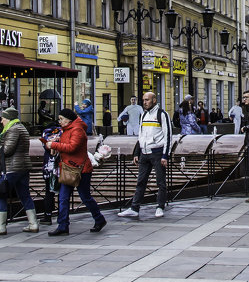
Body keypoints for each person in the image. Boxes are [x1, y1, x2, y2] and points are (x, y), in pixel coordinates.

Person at [42, 108, 106, 236]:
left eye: (61, 119)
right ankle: (63, 225)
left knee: (85, 197)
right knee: (63, 198)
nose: (59, 121)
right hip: (68, 168)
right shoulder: (66, 130)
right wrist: (56, 144)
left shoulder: (77, 130)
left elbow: (72, 147)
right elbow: (66, 144)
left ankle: (99, 219)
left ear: (68, 119)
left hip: (80, 169)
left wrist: (54, 145)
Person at [118, 91, 173, 219]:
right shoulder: (143, 115)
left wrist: (165, 155)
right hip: (144, 153)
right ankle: (134, 208)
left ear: (154, 100)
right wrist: (137, 152)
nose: (144, 102)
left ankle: (160, 207)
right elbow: (141, 135)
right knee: (140, 181)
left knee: (161, 182)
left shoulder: (162, 114)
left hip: (157, 152)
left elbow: (168, 135)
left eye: (147, 100)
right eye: (143, 100)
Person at [0, 106, 38, 235]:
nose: (1, 121)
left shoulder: (13, 129)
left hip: (13, 167)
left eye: (3, 119)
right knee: (24, 194)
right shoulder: (21, 128)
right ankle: (33, 223)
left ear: (8, 119)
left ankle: (0, 226)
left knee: (0, 194)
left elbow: (7, 150)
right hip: (23, 167)